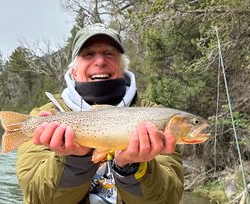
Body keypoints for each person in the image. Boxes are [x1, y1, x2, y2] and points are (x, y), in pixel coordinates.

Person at [16, 23, 184, 204]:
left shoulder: (156, 116)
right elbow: (37, 198)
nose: (100, 61)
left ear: (123, 66)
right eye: (88, 54)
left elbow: (169, 199)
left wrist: (133, 169)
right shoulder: (47, 116)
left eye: (109, 53)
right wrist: (74, 160)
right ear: (73, 70)